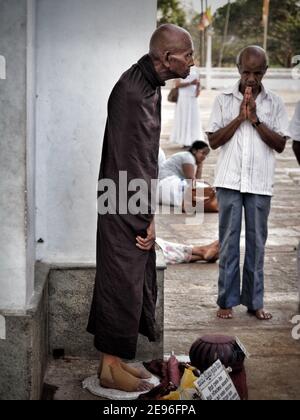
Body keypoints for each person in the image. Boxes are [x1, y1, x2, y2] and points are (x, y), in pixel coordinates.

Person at [87, 24, 195, 393]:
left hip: (125, 199)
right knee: (121, 283)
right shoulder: (134, 91)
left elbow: (145, 157)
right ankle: (108, 368)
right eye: (188, 54)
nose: (192, 62)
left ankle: (114, 361)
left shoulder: (146, 84)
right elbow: (130, 162)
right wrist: (145, 218)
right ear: (167, 58)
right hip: (122, 203)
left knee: (129, 283)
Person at [207, 46, 290, 321]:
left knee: (257, 244)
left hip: (260, 184)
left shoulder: (275, 103)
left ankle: (255, 302)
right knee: (229, 243)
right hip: (229, 181)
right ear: (238, 69)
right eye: (246, 72)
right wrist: (239, 117)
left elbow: (279, 144)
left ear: (265, 71)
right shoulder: (222, 99)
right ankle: (226, 300)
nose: (251, 78)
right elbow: (214, 140)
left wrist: (255, 119)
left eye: (257, 72)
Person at [158, 141, 217, 211]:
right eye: (203, 153)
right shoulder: (188, 157)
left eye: (206, 155)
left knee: (201, 188)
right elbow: (191, 180)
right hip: (167, 182)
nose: (204, 157)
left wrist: (199, 166)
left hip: (164, 185)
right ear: (194, 151)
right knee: (201, 189)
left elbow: (197, 180)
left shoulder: (190, 158)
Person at [170, 66, 205, 147]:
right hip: (183, 97)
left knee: (193, 119)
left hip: (193, 97)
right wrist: (191, 83)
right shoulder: (179, 68)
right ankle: (184, 141)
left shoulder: (196, 69)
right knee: (184, 118)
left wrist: (198, 89)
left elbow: (198, 82)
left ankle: (194, 140)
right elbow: (177, 84)